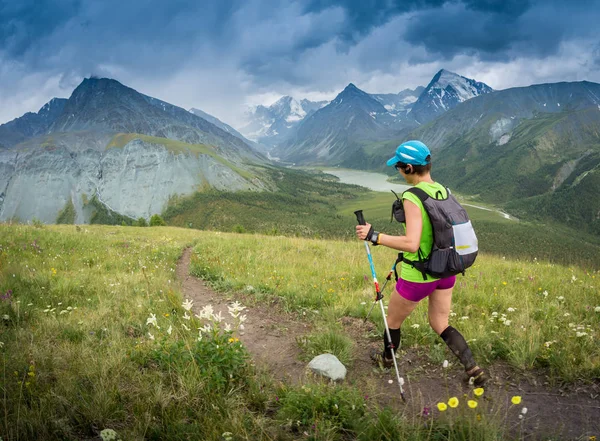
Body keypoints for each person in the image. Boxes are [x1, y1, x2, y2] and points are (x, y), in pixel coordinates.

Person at [355, 140, 487, 386]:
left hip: (419, 276)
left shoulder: (412, 196)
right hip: (446, 270)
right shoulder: (442, 190)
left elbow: (412, 243)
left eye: (398, 167)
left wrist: (375, 237)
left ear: (408, 168)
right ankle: (473, 368)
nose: (398, 171)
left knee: (393, 321)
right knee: (440, 323)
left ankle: (386, 360)